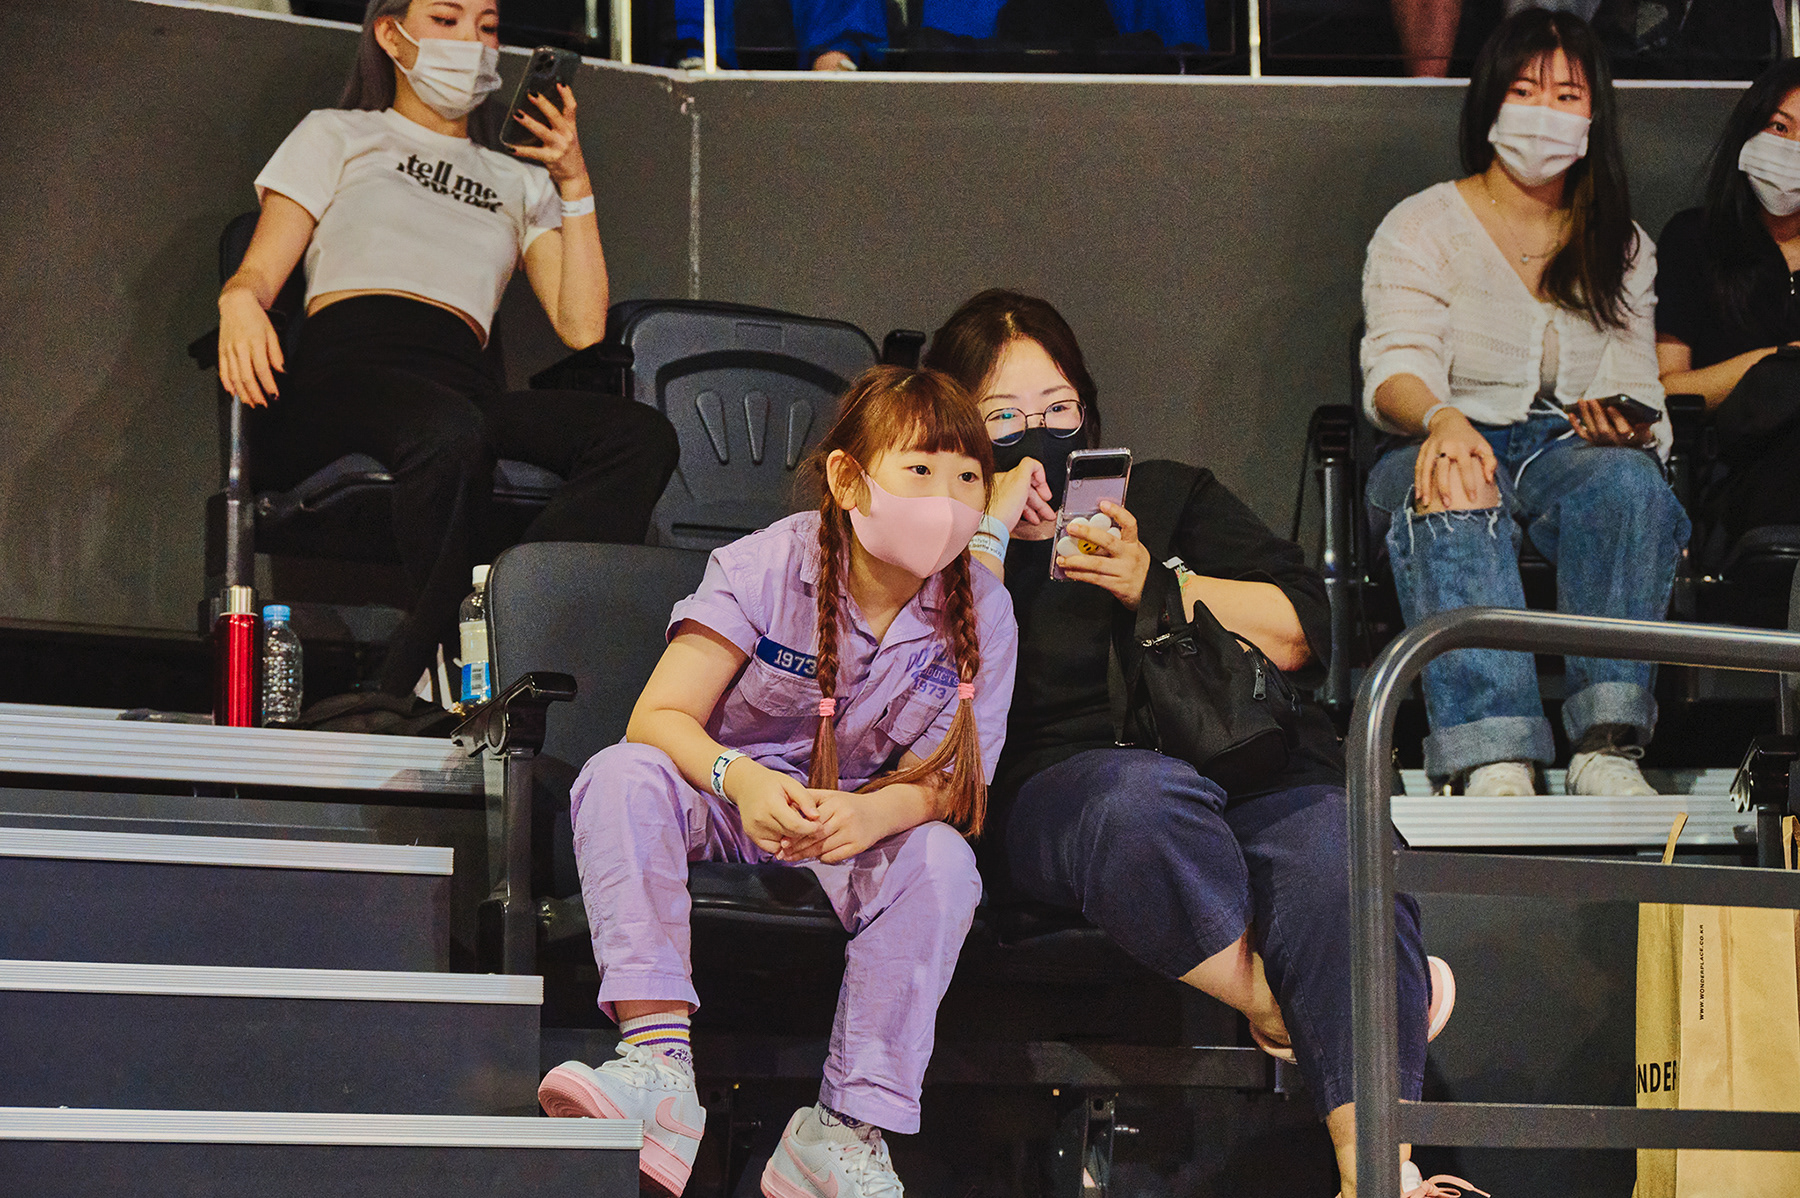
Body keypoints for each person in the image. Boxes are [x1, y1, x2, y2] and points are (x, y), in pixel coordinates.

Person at [923, 289, 1471, 1198]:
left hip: (1240, 761)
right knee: (1140, 803)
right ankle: (1286, 1007)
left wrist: (1157, 582)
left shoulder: (1168, 496)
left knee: (1335, 849)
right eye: (1005, 419)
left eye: (1060, 411)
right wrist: (983, 528)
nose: (1040, 438)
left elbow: (1303, 629)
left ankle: (1383, 1179)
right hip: (1060, 786)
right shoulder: (936, 531)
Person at [536, 366, 1018, 1198]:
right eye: (919, 470)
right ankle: (657, 1070)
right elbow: (658, 717)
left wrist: (872, 816)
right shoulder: (767, 563)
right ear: (848, 480)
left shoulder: (984, 609)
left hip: (850, 827)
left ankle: (842, 1132)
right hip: (730, 802)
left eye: (968, 476)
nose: (946, 499)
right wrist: (743, 780)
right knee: (621, 775)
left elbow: (953, 781)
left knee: (944, 862)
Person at [215, 0, 678, 699]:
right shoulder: (338, 134)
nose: (472, 42)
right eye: (446, 19)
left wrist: (573, 184)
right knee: (448, 431)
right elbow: (257, 272)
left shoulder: (518, 178)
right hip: (348, 373)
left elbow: (581, 326)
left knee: (639, 436)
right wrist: (237, 302)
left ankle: (507, 613)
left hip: (461, 384)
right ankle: (421, 671)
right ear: (391, 34)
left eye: (487, 28)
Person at [1360, 10, 1687, 798]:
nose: (1546, 112)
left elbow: (1640, 383)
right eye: (1525, 90)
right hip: (1438, 434)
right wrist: (1442, 419)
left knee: (1629, 484)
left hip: (1564, 446)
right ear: (1490, 101)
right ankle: (1493, 753)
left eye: (1567, 95)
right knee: (1457, 477)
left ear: (1594, 114)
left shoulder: (1622, 243)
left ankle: (1607, 746)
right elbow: (1394, 368)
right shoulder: (1422, 223)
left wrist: (1629, 425)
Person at [1655, 58, 1800, 552]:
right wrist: (1779, 361)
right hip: (1737, 474)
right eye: (1780, 127)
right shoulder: (1695, 239)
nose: (1792, 148)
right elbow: (1669, 387)